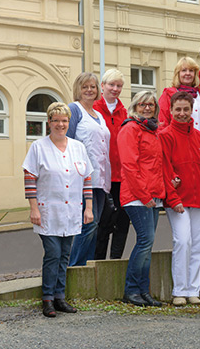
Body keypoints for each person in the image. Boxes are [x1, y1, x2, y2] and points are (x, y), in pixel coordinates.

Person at [23, 102, 93, 318]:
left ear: (68, 122)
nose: (60, 124)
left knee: (65, 255)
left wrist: (88, 208)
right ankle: (47, 299)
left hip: (72, 211)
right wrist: (33, 208)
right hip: (47, 212)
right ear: (49, 122)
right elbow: (29, 178)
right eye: (56, 120)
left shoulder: (77, 147)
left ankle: (60, 297)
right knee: (53, 253)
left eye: (64, 120)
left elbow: (87, 178)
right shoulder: (38, 147)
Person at [160, 92, 200, 306]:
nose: (183, 113)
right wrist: (173, 198)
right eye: (178, 109)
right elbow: (165, 169)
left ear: (192, 110)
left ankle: (193, 290)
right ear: (171, 111)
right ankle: (179, 291)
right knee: (182, 241)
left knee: (197, 245)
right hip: (179, 202)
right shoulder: (165, 136)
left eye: (186, 109)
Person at [118, 91, 165, 307]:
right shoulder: (130, 129)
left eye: (151, 105)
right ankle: (131, 290)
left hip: (153, 196)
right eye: (143, 104)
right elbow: (129, 166)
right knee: (145, 241)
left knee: (148, 243)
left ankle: (144, 291)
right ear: (135, 107)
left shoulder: (152, 130)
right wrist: (145, 196)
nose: (147, 108)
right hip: (137, 197)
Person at [67, 72, 111, 267]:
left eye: (93, 87)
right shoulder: (73, 110)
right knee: (87, 224)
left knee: (96, 225)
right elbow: (65, 141)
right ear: (78, 89)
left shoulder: (99, 115)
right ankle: (75, 268)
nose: (89, 90)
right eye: (85, 86)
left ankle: (87, 267)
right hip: (82, 177)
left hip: (100, 178)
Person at [93, 69, 130, 260]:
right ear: (103, 86)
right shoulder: (93, 109)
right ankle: (98, 264)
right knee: (102, 223)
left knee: (122, 222)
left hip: (123, 177)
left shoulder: (126, 112)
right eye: (111, 85)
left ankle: (116, 263)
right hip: (102, 176)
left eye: (119, 86)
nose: (115, 89)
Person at [158, 56, 200, 133]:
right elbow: (162, 123)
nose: (188, 73)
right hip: (178, 142)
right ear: (178, 74)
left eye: (191, 71)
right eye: (184, 70)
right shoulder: (168, 95)